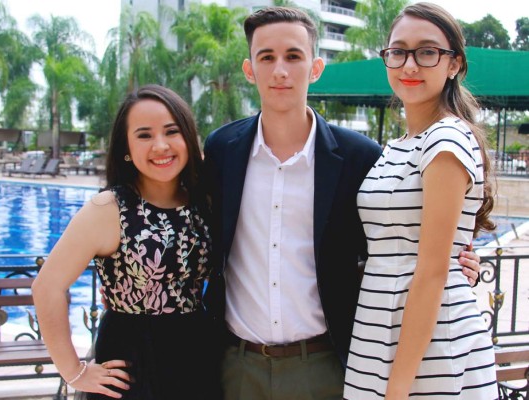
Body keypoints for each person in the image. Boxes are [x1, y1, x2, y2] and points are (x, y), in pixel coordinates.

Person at [202, 6, 482, 400]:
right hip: (237, 365)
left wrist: (455, 263)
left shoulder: (360, 156)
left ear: (316, 68)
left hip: (329, 363)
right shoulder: (221, 150)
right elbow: (194, 232)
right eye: (267, 57)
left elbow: (392, 240)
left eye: (294, 56)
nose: (280, 70)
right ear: (250, 70)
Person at [343, 3, 498, 399]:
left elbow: (431, 271)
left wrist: (396, 389)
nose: (409, 65)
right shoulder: (399, 146)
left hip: (428, 350)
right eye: (398, 51)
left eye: (427, 52)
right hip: (382, 332)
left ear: (453, 65)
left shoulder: (445, 139)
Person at [32, 84, 222, 399]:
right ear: (126, 148)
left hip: (196, 357)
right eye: (144, 135)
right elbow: (47, 287)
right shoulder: (108, 209)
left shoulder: (203, 202)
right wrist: (73, 371)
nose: (160, 145)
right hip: (131, 363)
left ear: (188, 138)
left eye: (172, 132)